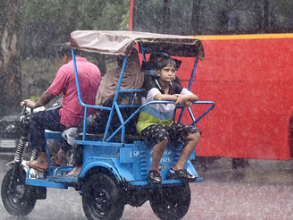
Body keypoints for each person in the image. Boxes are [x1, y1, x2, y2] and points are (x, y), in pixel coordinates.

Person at [22, 44, 101, 175]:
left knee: (36, 119)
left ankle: (42, 161)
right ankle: (61, 153)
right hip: (89, 117)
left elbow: (50, 94)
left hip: (71, 117)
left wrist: (35, 105)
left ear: (65, 56)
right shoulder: (95, 69)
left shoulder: (67, 69)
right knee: (65, 120)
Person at [70, 48, 144, 176]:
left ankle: (78, 165)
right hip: (132, 121)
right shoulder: (142, 76)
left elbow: (100, 100)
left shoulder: (112, 75)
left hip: (110, 121)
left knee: (82, 127)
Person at [136, 57, 201, 184]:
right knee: (163, 135)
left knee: (195, 133)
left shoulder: (175, 86)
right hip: (147, 125)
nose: (170, 73)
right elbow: (159, 97)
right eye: (166, 70)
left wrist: (184, 97)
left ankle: (178, 168)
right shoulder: (151, 84)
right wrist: (178, 98)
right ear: (159, 72)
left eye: (173, 70)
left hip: (167, 125)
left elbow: (195, 97)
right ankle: (154, 171)